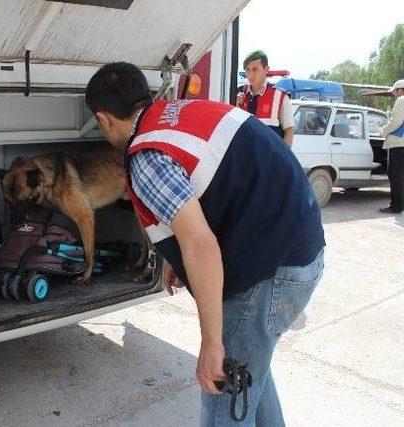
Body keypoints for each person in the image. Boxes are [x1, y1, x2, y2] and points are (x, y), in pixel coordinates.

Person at [85, 62, 325, 426]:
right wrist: (175, 258)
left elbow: (200, 244)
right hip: (302, 246)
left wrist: (212, 345)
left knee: (222, 387)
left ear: (103, 119)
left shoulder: (146, 156)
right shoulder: (182, 112)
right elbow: (202, 204)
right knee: (250, 373)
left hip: (274, 270)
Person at [237, 50, 294, 147]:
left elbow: (289, 130)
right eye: (247, 69)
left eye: (255, 69)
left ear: (266, 70)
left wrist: (281, 160)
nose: (250, 74)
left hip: (268, 160)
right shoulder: (237, 94)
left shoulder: (280, 96)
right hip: (243, 158)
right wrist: (235, 105)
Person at [379, 79, 404, 214]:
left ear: (400, 90)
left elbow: (395, 122)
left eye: (394, 91)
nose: (394, 94)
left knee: (395, 175)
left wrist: (384, 131)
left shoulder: (401, 100)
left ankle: (396, 206)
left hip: (398, 143)